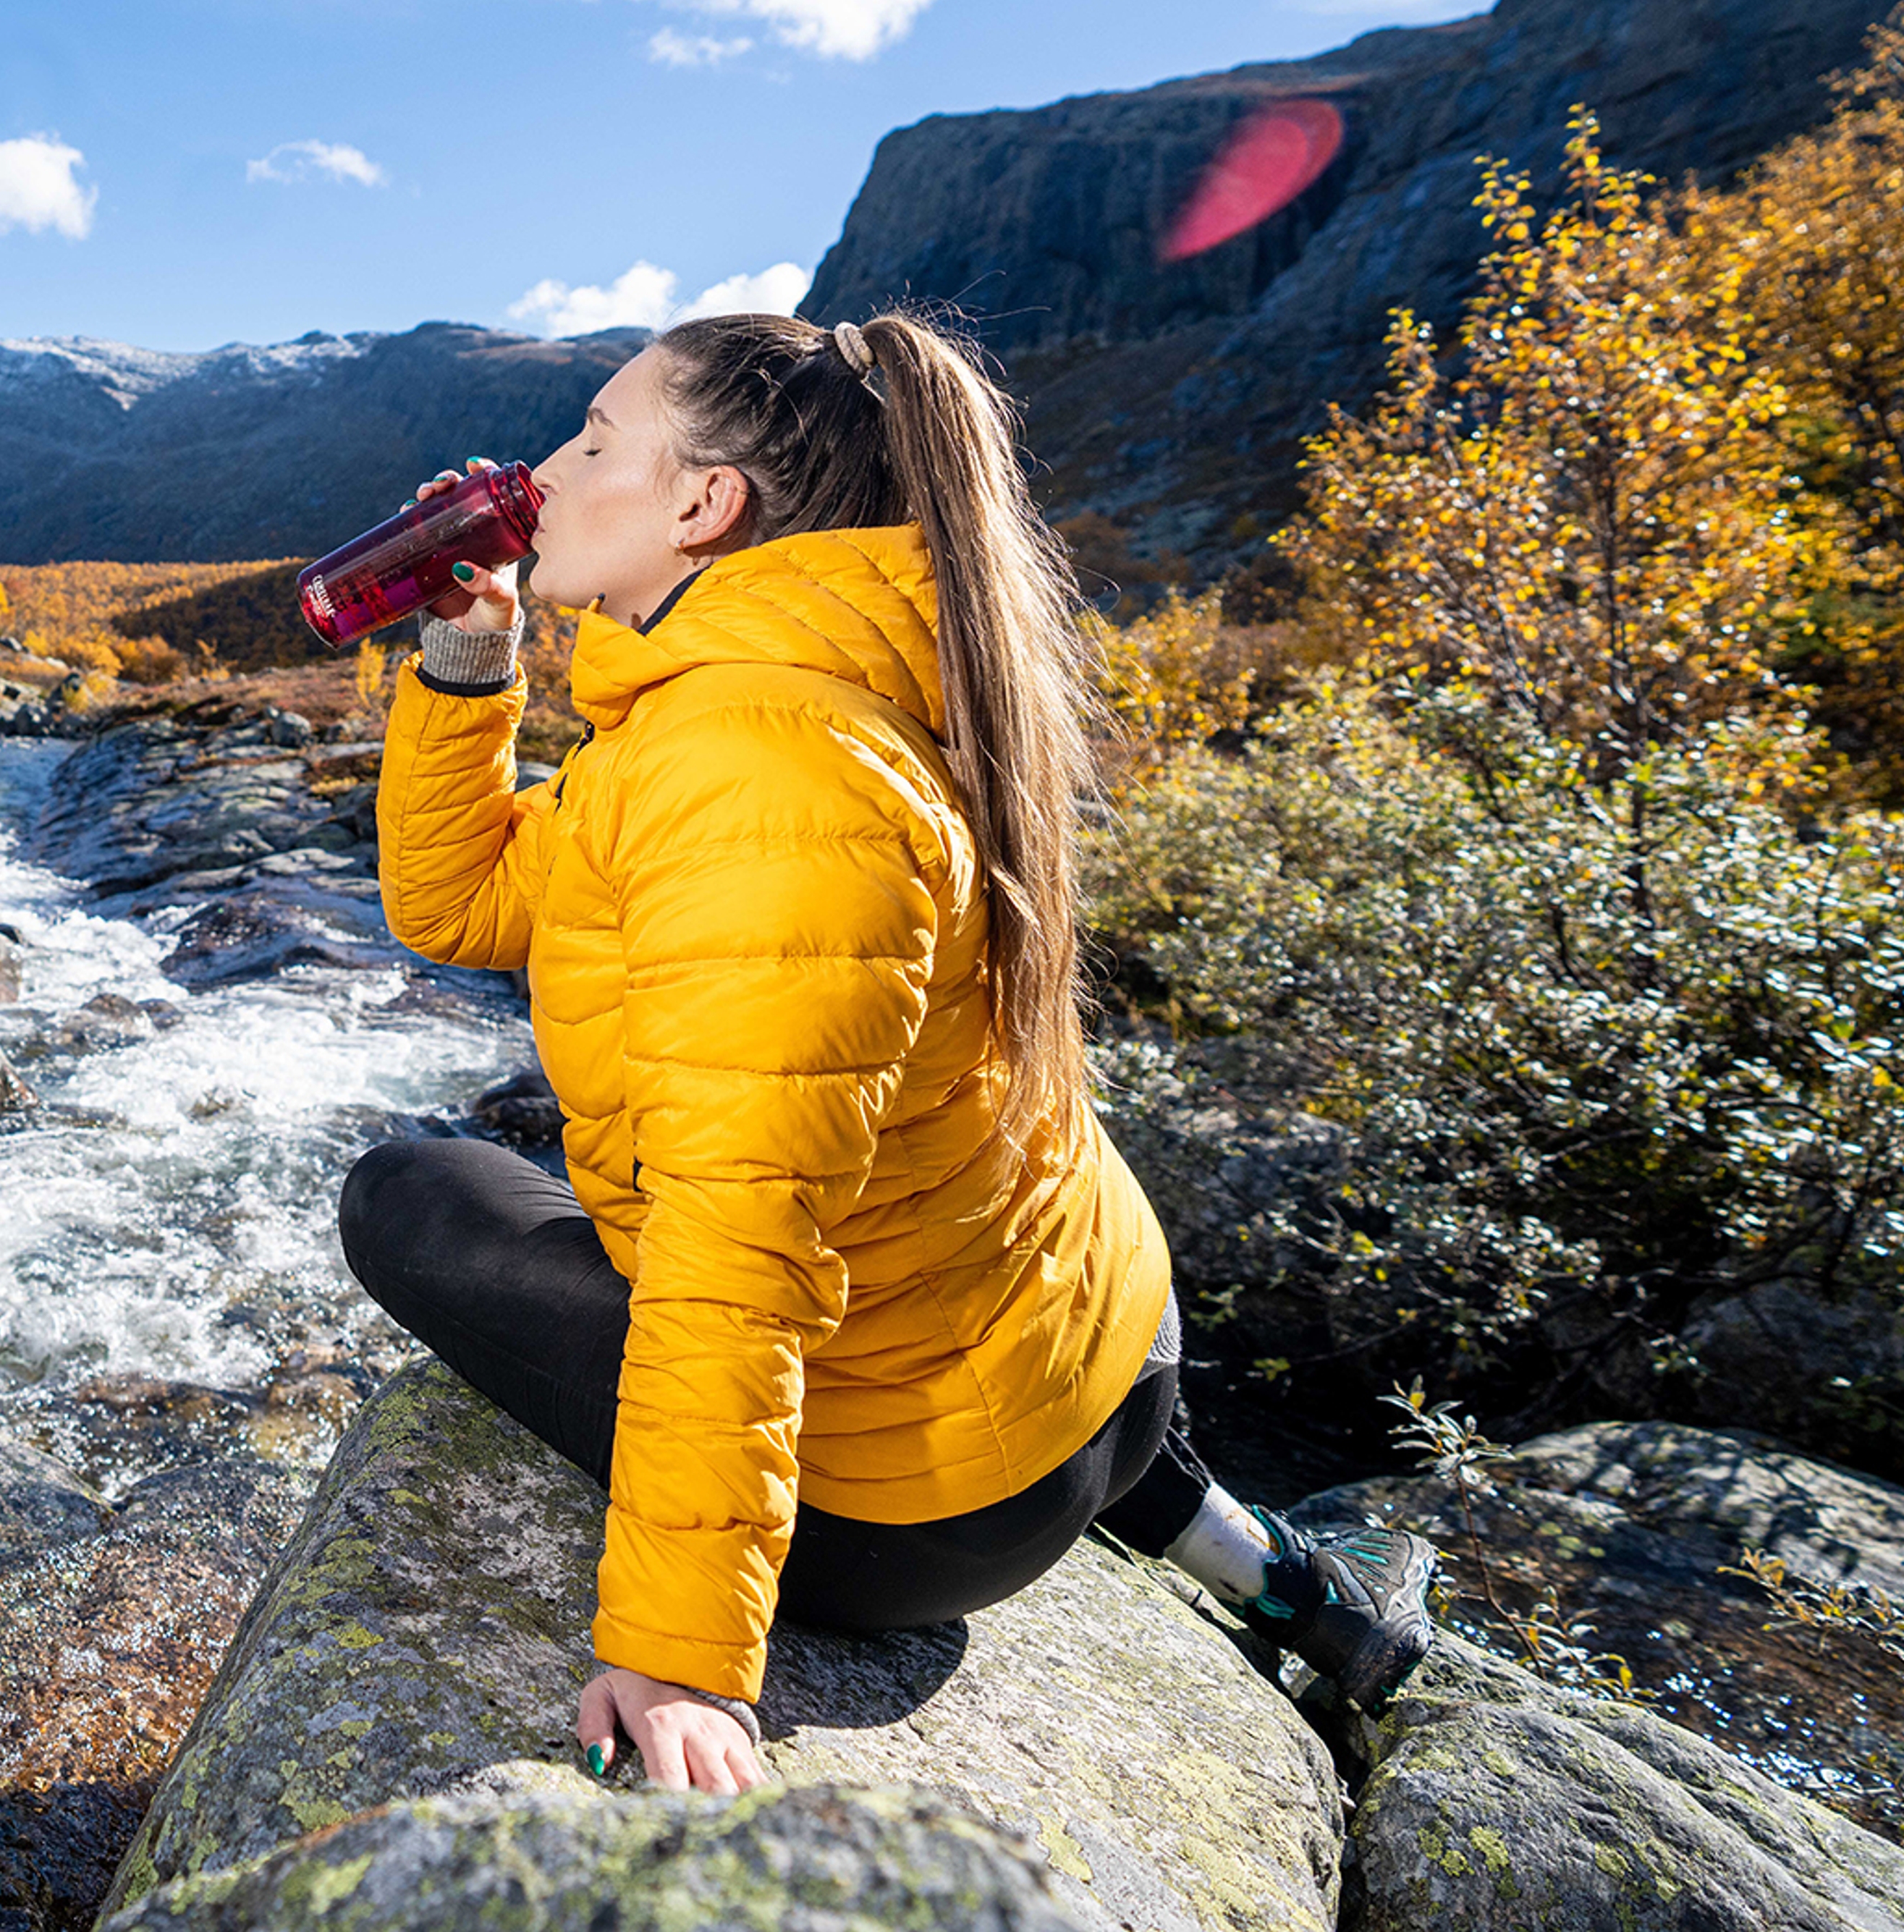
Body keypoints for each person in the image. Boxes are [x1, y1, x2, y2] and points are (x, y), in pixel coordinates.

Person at [338, 311, 1432, 1793]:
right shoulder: (777, 699)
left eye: (595, 440)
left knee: (414, 1195)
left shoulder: (758, 769)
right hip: (1112, 1358)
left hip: (927, 1526)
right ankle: (1267, 1568)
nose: (542, 471)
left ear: (702, 509)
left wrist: (682, 1655)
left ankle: (1198, 1540)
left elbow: (741, 1248)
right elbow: (465, 900)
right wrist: (472, 660)